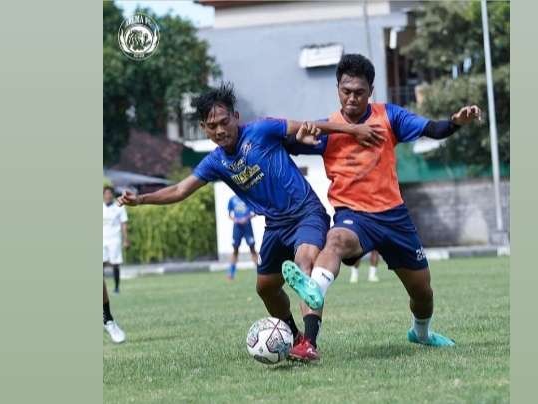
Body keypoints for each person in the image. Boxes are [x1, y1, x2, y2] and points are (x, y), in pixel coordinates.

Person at [116, 83, 381, 352]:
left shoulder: (262, 130)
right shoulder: (215, 163)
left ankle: (309, 343)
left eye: (224, 121)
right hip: (275, 226)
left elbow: (311, 125)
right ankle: (293, 334)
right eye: (212, 126)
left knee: (305, 261)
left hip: (306, 212)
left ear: (236, 117)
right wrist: (141, 199)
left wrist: (352, 129)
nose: (220, 130)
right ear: (204, 129)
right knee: (265, 288)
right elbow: (180, 189)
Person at [283, 54, 482, 361]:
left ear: (371, 90)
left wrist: (455, 122)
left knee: (422, 292)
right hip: (354, 217)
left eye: (359, 92)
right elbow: (286, 142)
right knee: (334, 241)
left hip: (394, 218)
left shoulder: (389, 116)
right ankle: (309, 335)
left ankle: (422, 333)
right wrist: (298, 139)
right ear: (338, 89)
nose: (352, 98)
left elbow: (433, 128)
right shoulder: (326, 129)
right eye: (346, 91)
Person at [103, 186, 129, 293]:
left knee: (115, 264)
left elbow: (124, 224)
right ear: (103, 195)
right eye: (106, 194)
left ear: (112, 195)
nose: (108, 196)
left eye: (110, 194)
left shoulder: (119, 207)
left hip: (114, 239)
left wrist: (125, 239)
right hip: (102, 240)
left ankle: (117, 287)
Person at [227, 195, 258, 280]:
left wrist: (246, 218)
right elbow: (229, 215)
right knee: (235, 250)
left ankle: (260, 271)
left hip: (247, 227)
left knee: (252, 249)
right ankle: (231, 273)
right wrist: (236, 220)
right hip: (237, 228)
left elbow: (255, 212)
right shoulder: (232, 199)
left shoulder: (248, 197)